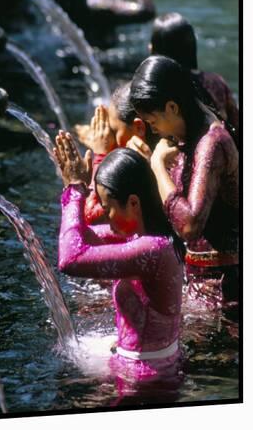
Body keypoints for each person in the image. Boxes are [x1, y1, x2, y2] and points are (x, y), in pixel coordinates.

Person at [54, 132, 184, 398]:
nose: (103, 214)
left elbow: (71, 258)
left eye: (108, 207)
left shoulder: (152, 249)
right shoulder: (150, 235)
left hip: (145, 382)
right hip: (147, 368)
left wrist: (75, 189)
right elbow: (82, 236)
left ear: (133, 203)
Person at [129, 56, 239, 302]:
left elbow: (189, 226)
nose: (152, 128)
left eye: (153, 121)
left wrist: (157, 165)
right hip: (199, 284)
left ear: (172, 107)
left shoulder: (211, 144)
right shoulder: (188, 132)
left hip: (224, 295)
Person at [150, 12, 239, 140]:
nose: (149, 46)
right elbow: (236, 124)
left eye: (152, 43)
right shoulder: (216, 81)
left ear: (158, 50)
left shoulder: (161, 90)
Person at [76, 82, 152, 224]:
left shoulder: (147, 171)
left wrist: (101, 156)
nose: (108, 136)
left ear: (139, 127)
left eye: (114, 131)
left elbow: (90, 217)